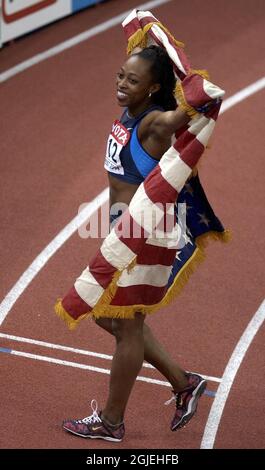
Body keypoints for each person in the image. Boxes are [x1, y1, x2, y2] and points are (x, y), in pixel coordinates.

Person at [62, 46, 208, 442]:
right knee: (105, 316)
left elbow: (198, 103)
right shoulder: (134, 111)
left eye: (133, 80)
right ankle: (184, 382)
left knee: (126, 324)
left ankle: (111, 422)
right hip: (122, 231)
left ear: (154, 86)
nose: (122, 85)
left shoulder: (156, 123)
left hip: (145, 234)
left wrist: (194, 81)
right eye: (120, 75)